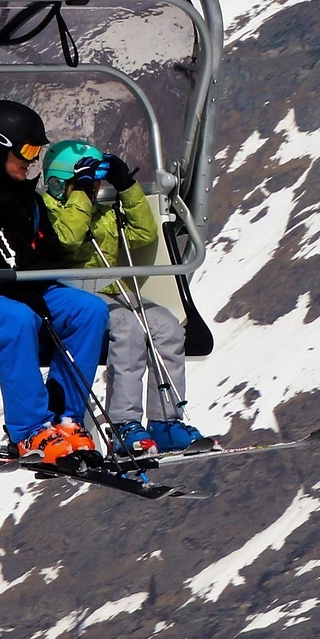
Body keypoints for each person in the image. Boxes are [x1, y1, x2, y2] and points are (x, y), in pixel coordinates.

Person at [0, 100, 108, 467]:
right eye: (26, 150)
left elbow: (45, 249)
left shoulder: (27, 196)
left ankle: (66, 417)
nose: (31, 160)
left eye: (36, 151)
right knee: (18, 320)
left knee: (90, 310)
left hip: (26, 286)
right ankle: (29, 431)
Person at [42, 139, 216, 456]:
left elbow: (144, 235)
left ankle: (166, 421)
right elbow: (67, 238)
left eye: (96, 183)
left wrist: (127, 187)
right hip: (72, 297)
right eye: (84, 183)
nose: (93, 190)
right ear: (59, 183)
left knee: (166, 326)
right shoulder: (47, 210)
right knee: (128, 328)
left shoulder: (103, 212)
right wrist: (80, 195)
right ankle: (124, 423)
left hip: (110, 292)